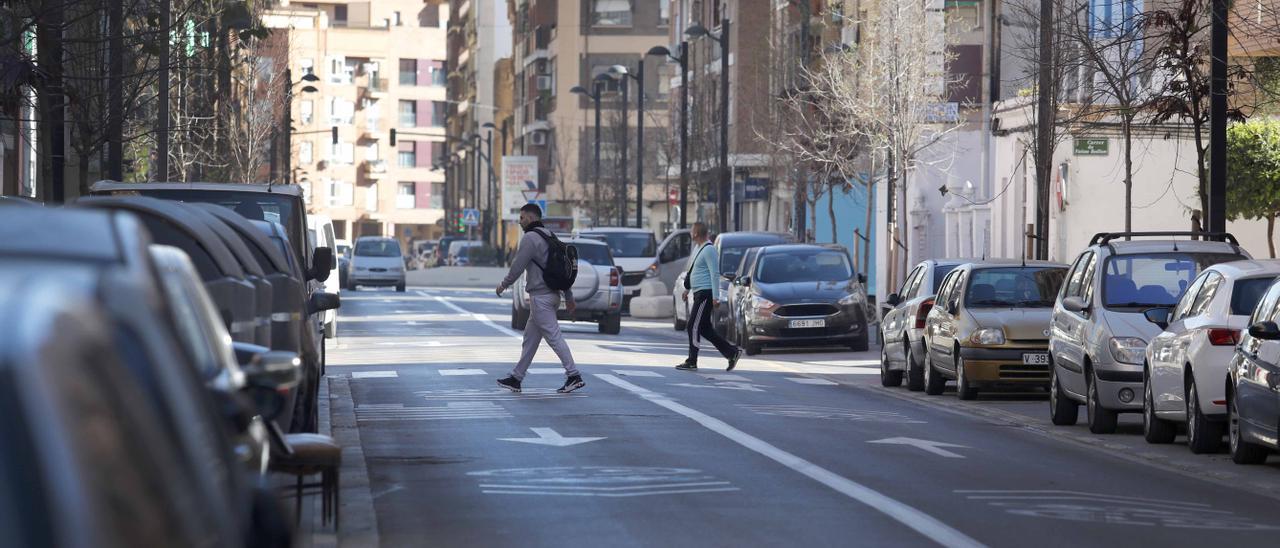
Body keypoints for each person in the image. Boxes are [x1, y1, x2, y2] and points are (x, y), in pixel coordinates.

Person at [494, 204, 584, 394]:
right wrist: (568, 297)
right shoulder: (549, 235)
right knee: (530, 339)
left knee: (554, 337)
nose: (520, 222)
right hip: (551, 295)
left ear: (530, 217)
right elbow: (562, 269)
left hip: (541, 297)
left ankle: (574, 375)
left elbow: (518, 266)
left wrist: (503, 285)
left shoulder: (530, 238)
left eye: (522, 218)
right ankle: (516, 378)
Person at [677, 222, 741, 371]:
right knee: (705, 329)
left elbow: (714, 273)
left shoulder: (709, 250)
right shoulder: (698, 248)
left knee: (693, 325)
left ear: (696, 233)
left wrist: (715, 296)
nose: (691, 233)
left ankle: (692, 360)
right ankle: (732, 352)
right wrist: (688, 289)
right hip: (699, 292)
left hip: (706, 294)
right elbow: (695, 271)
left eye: (692, 230)